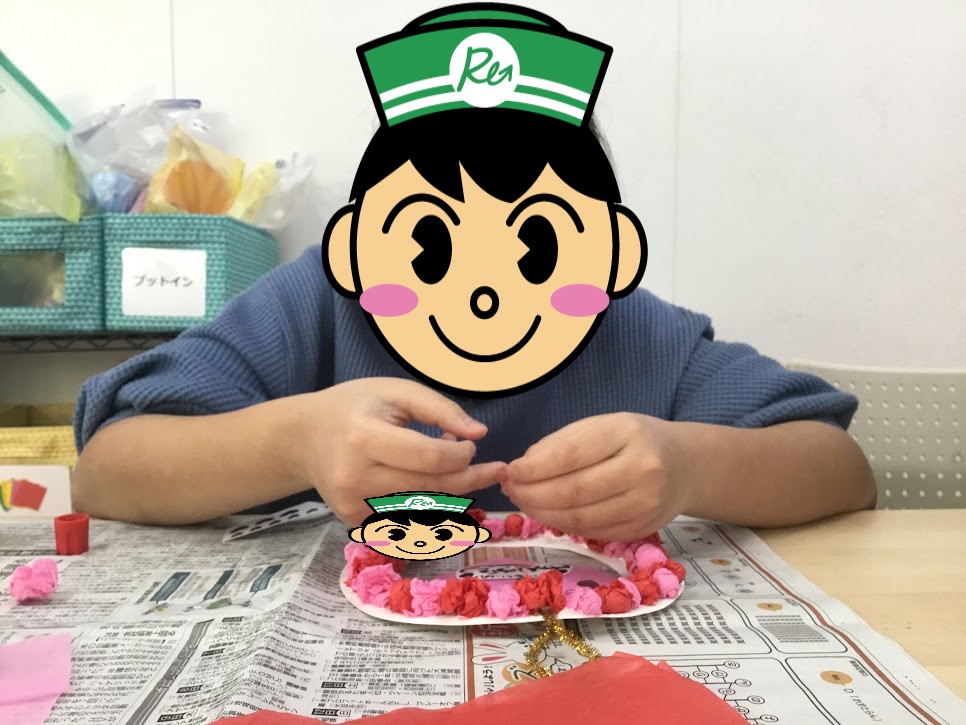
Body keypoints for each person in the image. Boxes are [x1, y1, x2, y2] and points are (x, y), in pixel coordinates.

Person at [71, 4, 876, 538]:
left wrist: (690, 465)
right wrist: (296, 441)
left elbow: (841, 469)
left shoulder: (631, 328)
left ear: (607, 250)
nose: (484, 289)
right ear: (359, 244)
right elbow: (106, 471)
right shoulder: (318, 303)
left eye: (536, 245)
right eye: (430, 242)